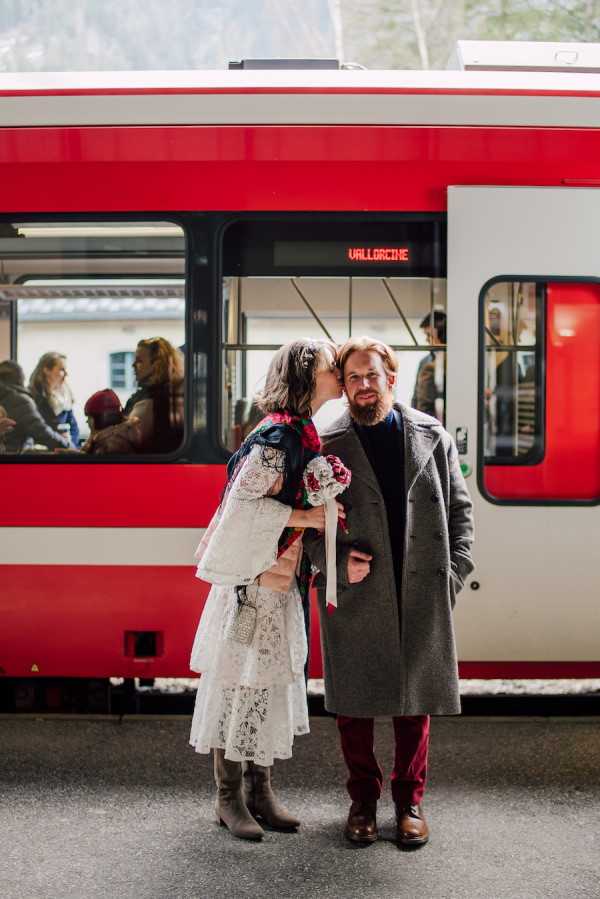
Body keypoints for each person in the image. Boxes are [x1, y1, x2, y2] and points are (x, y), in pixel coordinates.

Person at [304, 336, 474, 850]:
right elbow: (308, 528)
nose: (361, 387)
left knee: (413, 703)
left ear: (390, 380)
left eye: (370, 376)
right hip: (356, 593)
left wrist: (454, 571)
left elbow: (461, 510)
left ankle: (409, 802)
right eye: (352, 378)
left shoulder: (431, 434)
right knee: (354, 708)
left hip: (421, 589)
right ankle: (362, 801)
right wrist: (331, 564)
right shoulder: (325, 441)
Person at [189, 338, 343, 842]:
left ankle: (259, 790)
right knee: (239, 682)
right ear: (305, 378)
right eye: (329, 366)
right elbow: (241, 510)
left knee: (266, 681)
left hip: (275, 580)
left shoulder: (299, 433)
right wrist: (307, 515)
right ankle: (228, 796)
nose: (338, 371)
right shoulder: (278, 438)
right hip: (252, 586)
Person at [122, 337, 184, 453]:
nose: (133, 365)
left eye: (139, 361)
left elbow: (127, 440)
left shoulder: (154, 400)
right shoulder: (151, 394)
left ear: (157, 364)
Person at [0, 360, 70, 452]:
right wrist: (65, 443)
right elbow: (40, 431)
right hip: (16, 457)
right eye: (61, 369)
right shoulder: (21, 400)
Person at [29, 352, 80, 447]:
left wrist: (74, 447)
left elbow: (73, 427)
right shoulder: (34, 397)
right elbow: (39, 431)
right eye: (62, 369)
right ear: (46, 370)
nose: (66, 374)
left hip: (64, 447)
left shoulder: (65, 394)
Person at [80, 389, 139, 455]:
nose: (87, 421)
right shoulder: (118, 437)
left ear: (101, 419)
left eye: (89, 417)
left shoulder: (109, 445)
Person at [411, 310, 446, 420]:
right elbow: (417, 397)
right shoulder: (425, 362)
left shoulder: (456, 362)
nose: (427, 339)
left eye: (429, 335)